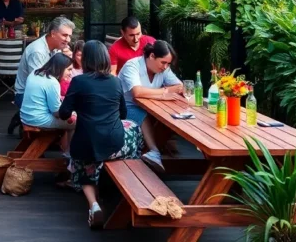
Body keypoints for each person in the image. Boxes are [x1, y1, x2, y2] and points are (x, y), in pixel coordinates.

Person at [59, 41, 144, 228]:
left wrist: (78, 110)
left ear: (86, 59)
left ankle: (94, 204)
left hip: (85, 144)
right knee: (135, 128)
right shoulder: (115, 81)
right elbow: (123, 114)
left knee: (80, 163)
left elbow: (64, 113)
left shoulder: (78, 81)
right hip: (115, 144)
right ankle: (131, 171)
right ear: (105, 58)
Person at [118, 40, 184, 172]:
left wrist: (159, 93)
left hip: (150, 105)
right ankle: (154, 151)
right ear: (152, 56)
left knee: (168, 117)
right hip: (124, 108)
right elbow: (137, 92)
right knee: (142, 113)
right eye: (163, 62)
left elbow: (179, 86)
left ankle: (152, 152)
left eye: (168, 64)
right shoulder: (133, 66)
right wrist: (164, 92)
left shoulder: (162, 69)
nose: (165, 67)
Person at [7, 16, 75, 135]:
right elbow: (39, 84)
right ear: (53, 33)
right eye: (65, 35)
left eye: (69, 36)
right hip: (25, 94)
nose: (68, 39)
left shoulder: (56, 47)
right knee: (66, 112)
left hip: (39, 92)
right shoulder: (38, 52)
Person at [20, 54, 76, 153]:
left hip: (25, 116)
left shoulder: (35, 73)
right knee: (76, 122)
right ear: (60, 68)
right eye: (69, 69)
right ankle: (69, 155)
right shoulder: (52, 82)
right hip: (38, 120)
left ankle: (66, 150)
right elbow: (56, 113)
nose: (70, 73)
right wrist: (71, 113)